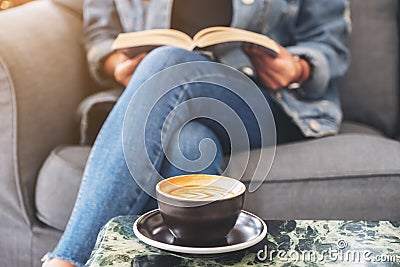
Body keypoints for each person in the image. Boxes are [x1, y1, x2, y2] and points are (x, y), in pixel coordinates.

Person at [43, 0, 351, 266]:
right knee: (188, 142)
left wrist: (297, 67)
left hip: (259, 101)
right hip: (164, 103)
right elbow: (100, 36)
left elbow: (329, 44)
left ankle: (70, 260)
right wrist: (117, 66)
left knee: (166, 63)